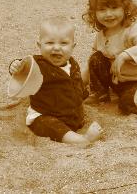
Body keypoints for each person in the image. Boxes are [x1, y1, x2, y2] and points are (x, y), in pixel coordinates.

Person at [9, 16, 103, 147]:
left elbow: (76, 84)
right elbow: (23, 68)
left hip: (70, 115)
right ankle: (82, 140)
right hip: (44, 115)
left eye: (63, 43)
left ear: (72, 46)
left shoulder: (72, 63)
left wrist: (82, 94)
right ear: (39, 45)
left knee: (68, 123)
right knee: (53, 127)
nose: (56, 48)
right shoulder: (39, 64)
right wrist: (15, 65)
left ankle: (74, 130)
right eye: (50, 43)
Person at [82, 0, 137, 115]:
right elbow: (92, 63)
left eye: (114, 8)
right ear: (94, 13)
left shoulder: (132, 30)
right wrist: (80, 81)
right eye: (102, 10)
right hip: (116, 83)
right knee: (96, 58)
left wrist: (125, 55)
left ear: (125, 8)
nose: (108, 14)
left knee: (127, 105)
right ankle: (100, 93)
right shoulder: (102, 34)